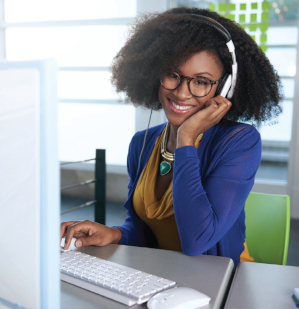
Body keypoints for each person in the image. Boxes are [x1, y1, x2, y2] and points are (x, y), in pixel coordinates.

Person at [60, 7, 283, 266]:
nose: (181, 93)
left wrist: (185, 138)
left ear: (224, 88)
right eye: (173, 75)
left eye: (201, 81)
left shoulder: (239, 142)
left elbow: (197, 240)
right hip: (164, 273)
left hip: (222, 280)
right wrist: (115, 233)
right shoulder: (142, 144)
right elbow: (144, 232)